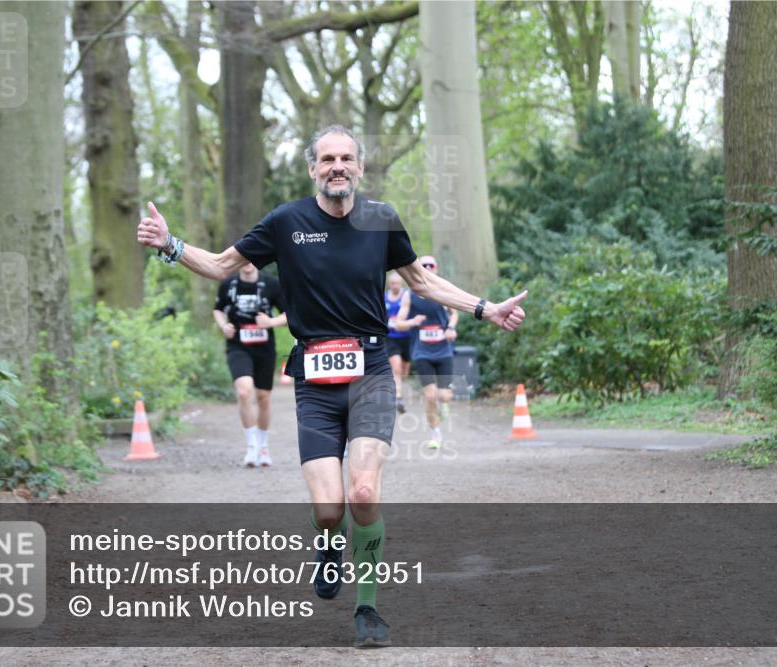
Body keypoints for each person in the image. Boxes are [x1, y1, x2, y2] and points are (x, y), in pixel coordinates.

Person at [136, 125, 527, 648]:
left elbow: (422, 281)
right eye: (327, 159)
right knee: (329, 509)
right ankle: (327, 544)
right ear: (312, 168)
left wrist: (484, 307)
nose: (337, 166)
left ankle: (367, 607)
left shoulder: (381, 219)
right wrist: (170, 245)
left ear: (360, 167)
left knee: (363, 492)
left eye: (346, 158)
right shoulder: (286, 222)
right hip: (315, 382)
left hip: (369, 372)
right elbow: (220, 265)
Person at [213, 263, 287, 467]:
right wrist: (223, 326)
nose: (248, 263)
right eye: (243, 259)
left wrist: (271, 323)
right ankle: (252, 446)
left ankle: (263, 446)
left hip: (264, 348)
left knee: (263, 398)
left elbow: (288, 314)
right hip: (238, 346)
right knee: (244, 391)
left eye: (253, 259)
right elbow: (218, 310)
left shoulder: (271, 284)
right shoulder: (228, 285)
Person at [394, 255, 457, 449]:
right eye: (423, 266)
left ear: (436, 269)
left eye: (431, 266)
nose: (428, 268)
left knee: (444, 395)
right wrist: (413, 322)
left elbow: (454, 312)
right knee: (429, 395)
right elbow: (398, 323)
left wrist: (451, 328)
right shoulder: (409, 295)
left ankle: (443, 402)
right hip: (422, 352)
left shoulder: (442, 291)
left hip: (443, 350)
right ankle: (435, 434)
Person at [384, 271, 423, 413]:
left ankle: (399, 386)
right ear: (389, 284)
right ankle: (398, 397)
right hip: (391, 338)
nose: (395, 286)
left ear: (401, 284)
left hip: (407, 337)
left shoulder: (407, 296)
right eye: (393, 283)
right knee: (397, 368)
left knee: (405, 369)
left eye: (397, 283)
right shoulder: (384, 298)